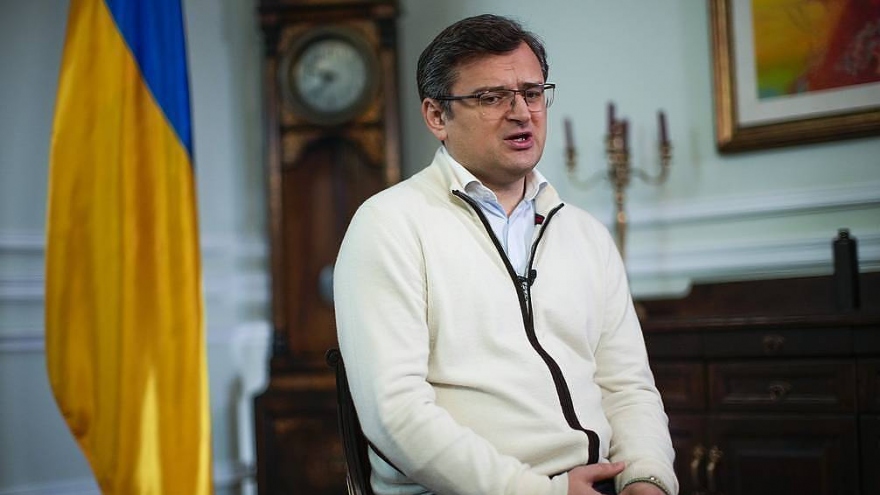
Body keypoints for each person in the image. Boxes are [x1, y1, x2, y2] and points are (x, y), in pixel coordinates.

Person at [333, 13, 678, 495]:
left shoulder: (585, 234)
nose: (522, 113)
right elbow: (396, 413)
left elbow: (628, 388)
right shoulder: (388, 225)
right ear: (436, 116)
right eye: (492, 97)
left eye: (532, 93)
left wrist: (647, 478)